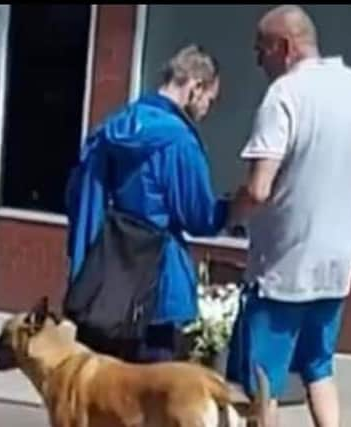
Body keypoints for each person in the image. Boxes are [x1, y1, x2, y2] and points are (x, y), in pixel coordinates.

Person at [225, 5, 351, 427]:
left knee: (263, 383)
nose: (257, 60)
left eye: (260, 49)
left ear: (284, 47)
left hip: (284, 268)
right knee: (319, 367)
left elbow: (260, 187)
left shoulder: (285, 95)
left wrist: (231, 212)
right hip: (336, 265)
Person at [66, 45, 232, 363]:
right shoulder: (178, 141)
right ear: (195, 86)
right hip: (158, 286)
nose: (208, 108)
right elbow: (199, 217)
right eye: (210, 99)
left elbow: (78, 196)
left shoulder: (110, 129)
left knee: (104, 401)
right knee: (154, 403)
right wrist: (232, 208)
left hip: (103, 283)